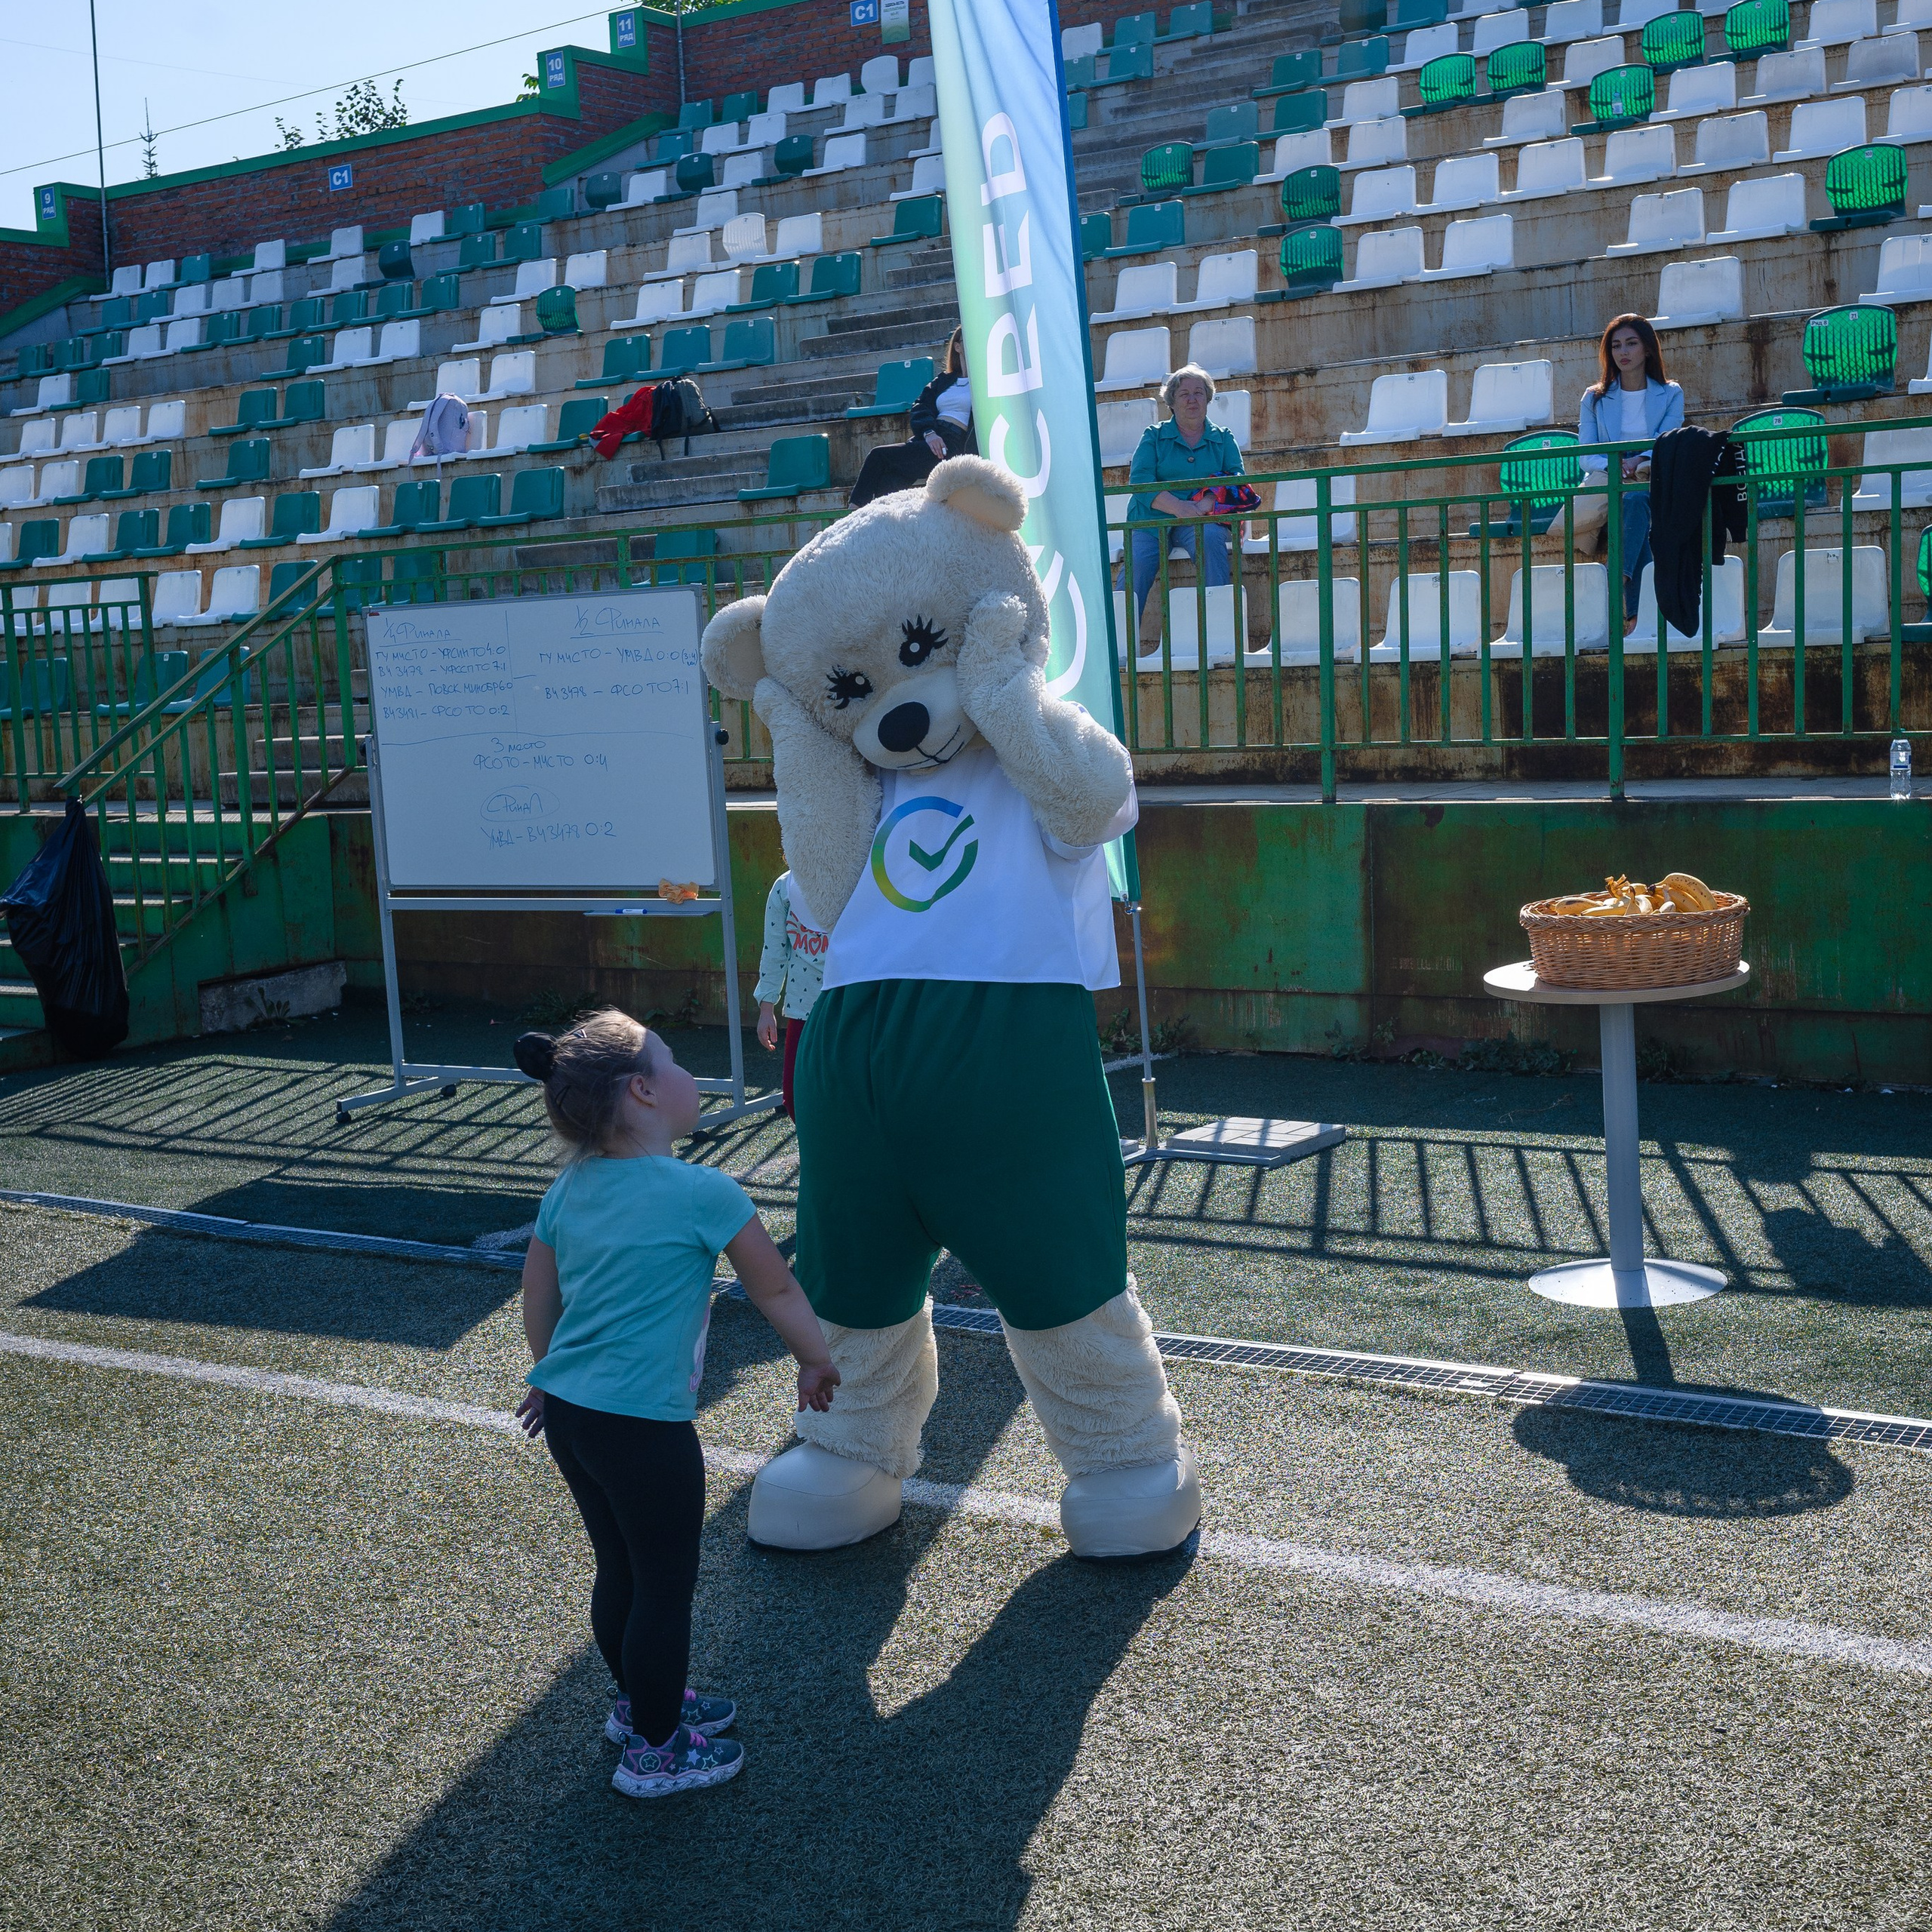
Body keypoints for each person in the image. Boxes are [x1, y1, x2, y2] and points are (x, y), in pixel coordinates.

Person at [510, 1010, 839, 1799]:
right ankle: (656, 1749)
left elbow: (536, 1295)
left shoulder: (569, 1187)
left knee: (619, 1566)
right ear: (645, 1090)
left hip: (574, 1417)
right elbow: (777, 1286)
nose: (693, 1075)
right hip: (644, 1427)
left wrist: (547, 1372)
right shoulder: (705, 1191)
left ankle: (638, 1706)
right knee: (663, 1584)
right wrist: (816, 1358)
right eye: (676, 1062)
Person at [1577, 313, 1686, 623]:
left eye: (1631, 344)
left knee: (1637, 500)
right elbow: (1586, 454)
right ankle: (1639, 617)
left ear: (1648, 349)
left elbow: (1667, 441)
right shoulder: (1594, 397)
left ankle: (1617, 582)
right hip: (1609, 473)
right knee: (1634, 505)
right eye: (1616, 346)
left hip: (1653, 468)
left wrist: (1639, 461)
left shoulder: (1670, 393)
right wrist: (1618, 466)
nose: (1622, 352)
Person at [1120, 364, 1247, 623]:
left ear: (1208, 399)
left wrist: (1207, 502)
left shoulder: (1223, 438)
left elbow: (1237, 478)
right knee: (1138, 563)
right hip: (1151, 519)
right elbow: (1140, 479)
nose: (1192, 399)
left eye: (1199, 393)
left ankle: (1220, 632)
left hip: (1202, 518)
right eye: (1184, 394)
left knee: (1211, 540)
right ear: (1172, 401)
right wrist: (1178, 507)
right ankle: (1119, 643)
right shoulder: (1153, 436)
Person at [848, 326, 978, 507]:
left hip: (952, 444)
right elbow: (920, 405)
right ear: (957, 347)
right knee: (890, 480)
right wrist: (929, 432)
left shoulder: (983, 381)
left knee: (878, 455)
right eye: (968, 340)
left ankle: (855, 510)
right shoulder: (944, 380)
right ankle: (877, 518)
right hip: (930, 437)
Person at [753, 868, 829, 1118]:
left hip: (851, 1005)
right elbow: (774, 950)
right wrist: (767, 1008)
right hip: (802, 1010)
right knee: (796, 1096)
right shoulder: (785, 886)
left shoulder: (858, 879)